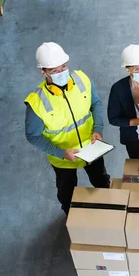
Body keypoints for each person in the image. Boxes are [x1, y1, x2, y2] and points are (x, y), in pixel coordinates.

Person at [25, 42, 111, 215]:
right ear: (43, 71)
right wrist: (61, 153)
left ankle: (109, 206)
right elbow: (33, 136)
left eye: (63, 66)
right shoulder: (37, 102)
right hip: (63, 158)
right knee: (67, 192)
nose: (62, 72)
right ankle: (70, 215)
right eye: (54, 70)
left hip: (91, 148)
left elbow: (96, 103)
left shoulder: (82, 80)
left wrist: (98, 129)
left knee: (101, 181)